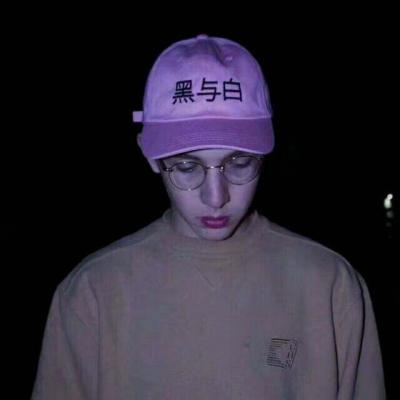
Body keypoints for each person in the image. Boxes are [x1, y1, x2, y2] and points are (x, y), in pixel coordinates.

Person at [31, 34, 386, 399]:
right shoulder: (91, 293)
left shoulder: (330, 284)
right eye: (187, 167)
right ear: (151, 157)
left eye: (240, 162)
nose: (216, 197)